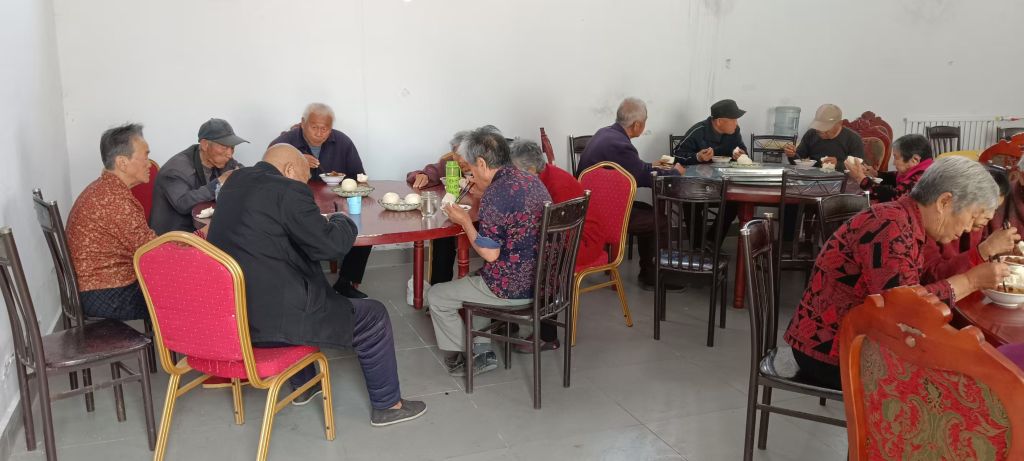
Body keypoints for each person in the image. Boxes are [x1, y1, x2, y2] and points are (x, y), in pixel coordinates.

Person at [206, 144, 426, 426]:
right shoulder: (288, 190)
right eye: (303, 177)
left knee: (288, 288)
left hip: (235, 315)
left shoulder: (235, 182)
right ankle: (389, 406)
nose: (304, 184)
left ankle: (304, 385)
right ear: (289, 170)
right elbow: (329, 247)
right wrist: (342, 219)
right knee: (373, 315)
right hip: (277, 321)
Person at [784, 157, 1007, 390]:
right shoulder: (889, 226)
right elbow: (904, 312)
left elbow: (915, 287)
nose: (969, 229)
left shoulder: (904, 219)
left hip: (856, 340)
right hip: (831, 352)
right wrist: (970, 281)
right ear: (944, 202)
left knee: (966, 368)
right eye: (971, 217)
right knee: (962, 384)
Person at [427, 127, 552, 376]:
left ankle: (468, 356)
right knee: (476, 279)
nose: (471, 176)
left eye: (471, 169)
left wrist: (464, 221)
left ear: (482, 163)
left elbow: (490, 254)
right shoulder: (530, 180)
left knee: (437, 296)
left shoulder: (497, 193)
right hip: (544, 280)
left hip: (514, 287)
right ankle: (483, 350)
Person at [509, 139, 608, 352]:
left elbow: (556, 232)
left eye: (515, 170)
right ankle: (508, 319)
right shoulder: (539, 178)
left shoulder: (556, 184)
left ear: (531, 169)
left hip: (581, 241)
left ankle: (547, 336)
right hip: (562, 235)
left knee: (541, 261)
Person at [575, 97, 684, 289]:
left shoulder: (606, 133)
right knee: (660, 221)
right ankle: (653, 277)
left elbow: (634, 168)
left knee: (648, 211)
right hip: (601, 215)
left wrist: (655, 165)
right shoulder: (620, 145)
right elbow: (642, 177)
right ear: (637, 125)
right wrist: (675, 172)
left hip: (592, 206)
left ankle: (649, 271)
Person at [270, 103, 371, 299]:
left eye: (324, 128)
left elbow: (359, 176)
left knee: (360, 224)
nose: (319, 133)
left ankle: (346, 281)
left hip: (336, 204)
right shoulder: (284, 144)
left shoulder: (342, 142)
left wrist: (349, 188)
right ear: (303, 123)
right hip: (296, 206)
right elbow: (269, 179)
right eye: (314, 127)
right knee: (291, 232)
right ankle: (303, 285)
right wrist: (297, 160)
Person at [67, 123, 156, 320]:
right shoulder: (115, 201)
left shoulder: (102, 189)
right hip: (106, 295)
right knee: (177, 291)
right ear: (122, 162)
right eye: (145, 157)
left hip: (92, 287)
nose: (149, 164)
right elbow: (153, 252)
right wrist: (200, 236)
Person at [922, 166, 1018, 283]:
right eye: (987, 207)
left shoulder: (977, 226)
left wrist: (999, 250)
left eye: (995, 209)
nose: (991, 216)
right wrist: (986, 249)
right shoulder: (933, 223)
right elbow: (930, 276)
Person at [150, 118, 247, 234]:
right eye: (224, 147)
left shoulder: (220, 159)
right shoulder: (175, 170)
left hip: (205, 229)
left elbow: (240, 171)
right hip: (175, 236)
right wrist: (218, 183)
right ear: (205, 145)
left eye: (232, 147)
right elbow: (183, 204)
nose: (230, 154)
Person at [405, 131, 473, 291]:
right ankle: (438, 289)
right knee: (443, 236)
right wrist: (421, 176)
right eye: (457, 154)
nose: (460, 160)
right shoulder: (448, 162)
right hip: (455, 213)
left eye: (464, 155)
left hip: (482, 217)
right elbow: (420, 173)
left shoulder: (484, 164)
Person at [846, 134, 934, 202]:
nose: (893, 163)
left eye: (896, 157)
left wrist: (860, 178)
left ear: (915, 160)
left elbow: (893, 196)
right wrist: (876, 174)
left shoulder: (923, 180)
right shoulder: (923, 169)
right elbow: (895, 176)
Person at [782, 104, 863, 170]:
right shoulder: (811, 134)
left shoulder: (853, 139)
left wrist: (838, 164)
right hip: (812, 177)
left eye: (826, 128)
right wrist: (791, 155)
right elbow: (798, 160)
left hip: (840, 180)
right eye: (819, 128)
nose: (822, 132)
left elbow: (859, 169)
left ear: (839, 123)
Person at [672, 99, 748, 165]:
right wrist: (697, 157)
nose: (736, 124)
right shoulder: (698, 131)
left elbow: (743, 151)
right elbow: (675, 156)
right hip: (700, 176)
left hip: (727, 175)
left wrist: (741, 155)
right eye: (733, 120)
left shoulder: (734, 131)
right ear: (719, 121)